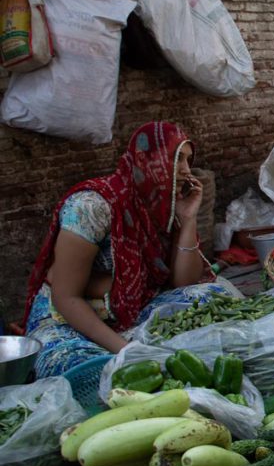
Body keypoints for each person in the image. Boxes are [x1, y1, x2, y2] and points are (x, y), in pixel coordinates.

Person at [24, 121, 222, 378]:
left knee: (211, 298)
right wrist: (127, 349)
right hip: (67, 318)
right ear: (145, 160)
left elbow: (185, 282)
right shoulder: (91, 207)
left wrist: (188, 219)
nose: (186, 171)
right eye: (176, 159)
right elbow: (66, 297)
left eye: (188, 160)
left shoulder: (165, 206)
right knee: (83, 369)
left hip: (130, 307)